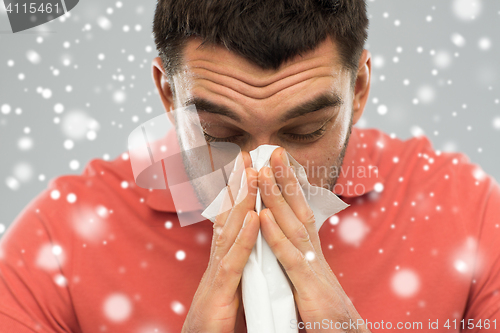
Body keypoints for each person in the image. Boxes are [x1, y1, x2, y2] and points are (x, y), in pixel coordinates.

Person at [1, 0, 499, 332]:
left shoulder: (467, 214)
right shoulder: (61, 238)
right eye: (220, 134)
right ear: (168, 95)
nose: (263, 169)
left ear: (360, 90)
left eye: (306, 131)